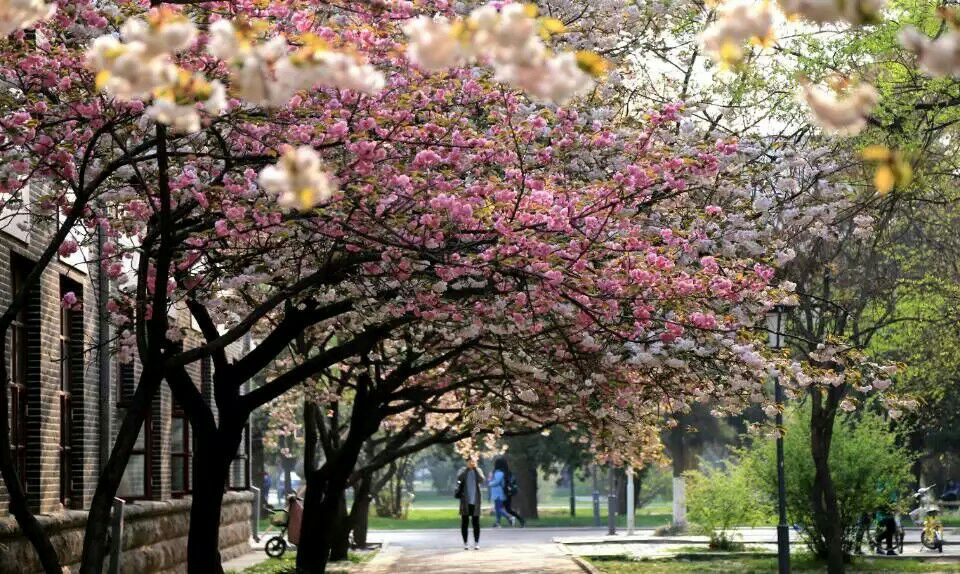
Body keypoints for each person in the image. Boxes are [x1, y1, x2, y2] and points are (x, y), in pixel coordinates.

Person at [455, 457, 484, 550]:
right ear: (466, 462)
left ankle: (476, 542)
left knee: (476, 523)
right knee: (465, 522)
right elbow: (459, 478)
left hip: (475, 501)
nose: (471, 463)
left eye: (473, 461)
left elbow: (481, 480)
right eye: (469, 461)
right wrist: (467, 469)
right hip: (465, 501)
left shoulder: (478, 471)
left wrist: (475, 469)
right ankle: (465, 543)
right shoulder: (463, 470)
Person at [497, 458, 526, 527]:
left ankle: (500, 522)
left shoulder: (501, 472)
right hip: (507, 492)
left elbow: (502, 482)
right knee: (507, 509)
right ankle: (520, 519)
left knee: (500, 508)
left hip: (504, 492)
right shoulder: (508, 471)